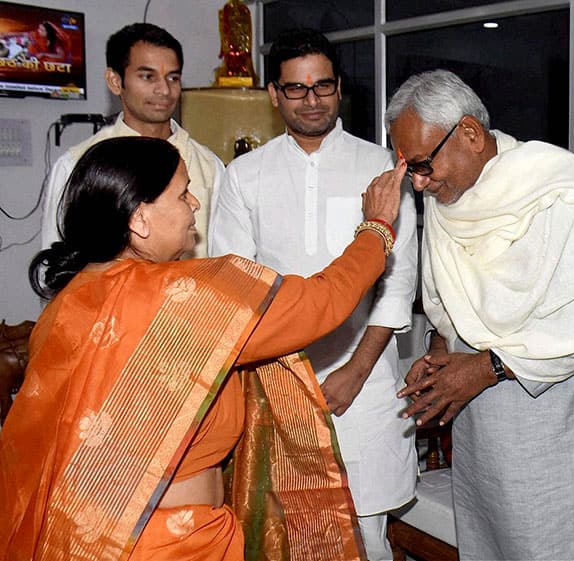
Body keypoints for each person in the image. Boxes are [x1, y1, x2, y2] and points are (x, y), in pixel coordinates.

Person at [0, 136, 407, 560]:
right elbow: (319, 303)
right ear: (140, 219)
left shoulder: (67, 304)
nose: (195, 203)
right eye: (181, 193)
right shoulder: (180, 298)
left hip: (95, 538)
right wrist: (376, 227)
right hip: (167, 544)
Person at [385, 69, 574, 560]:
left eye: (422, 165)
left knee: (566, 544)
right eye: (408, 170)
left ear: (468, 133)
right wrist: (440, 353)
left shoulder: (557, 192)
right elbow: (445, 299)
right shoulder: (450, 198)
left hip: (560, 432)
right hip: (485, 436)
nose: (418, 185)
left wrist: (484, 368)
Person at [208, 28, 417, 560]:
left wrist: (356, 370)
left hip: (364, 383)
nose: (311, 100)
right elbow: (236, 288)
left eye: (323, 86)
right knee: (282, 530)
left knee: (364, 530)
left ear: (339, 88)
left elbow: (398, 283)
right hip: (276, 383)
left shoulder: (380, 168)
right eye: (296, 89)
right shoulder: (243, 177)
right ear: (274, 94)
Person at [40, 23, 223, 260]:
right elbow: (55, 266)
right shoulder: (78, 165)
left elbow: (224, 260)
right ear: (115, 81)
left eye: (173, 77)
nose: (164, 90)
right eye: (148, 76)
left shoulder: (209, 165)